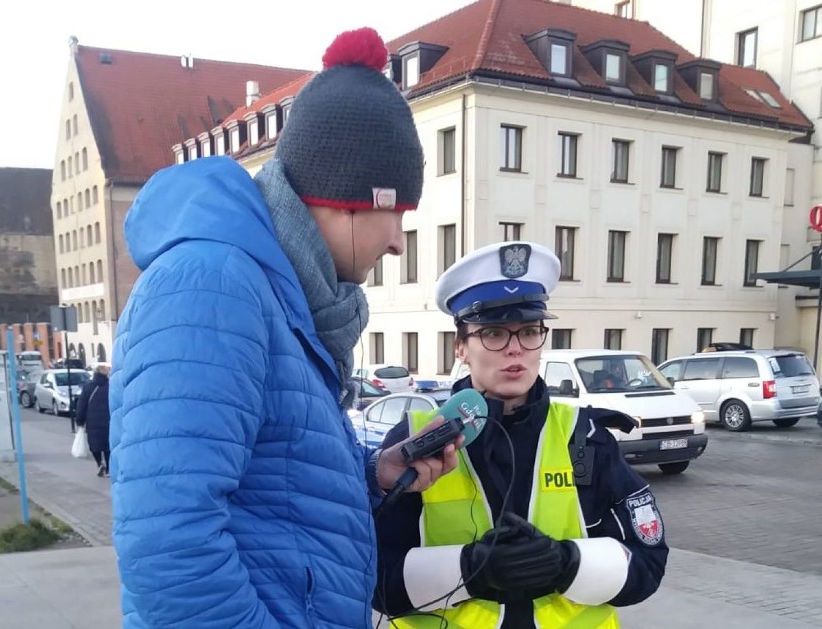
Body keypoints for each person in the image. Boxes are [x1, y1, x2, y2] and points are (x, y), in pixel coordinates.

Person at [108, 27, 461, 629]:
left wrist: (372, 474)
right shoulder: (212, 285)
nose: (399, 242)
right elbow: (169, 541)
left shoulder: (281, 299)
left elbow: (272, 488)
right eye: (398, 213)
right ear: (351, 197)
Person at [374, 241, 668, 628]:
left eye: (529, 331)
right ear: (461, 346)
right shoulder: (415, 438)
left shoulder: (587, 436)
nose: (516, 350)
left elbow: (648, 563)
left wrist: (568, 564)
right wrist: (466, 570)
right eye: (494, 333)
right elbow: (373, 578)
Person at [75, 363, 111, 476]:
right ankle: (109, 468)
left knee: (95, 445)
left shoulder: (87, 387)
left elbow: (81, 406)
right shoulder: (111, 386)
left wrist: (80, 421)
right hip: (108, 421)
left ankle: (100, 464)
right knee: (108, 446)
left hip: (92, 422)